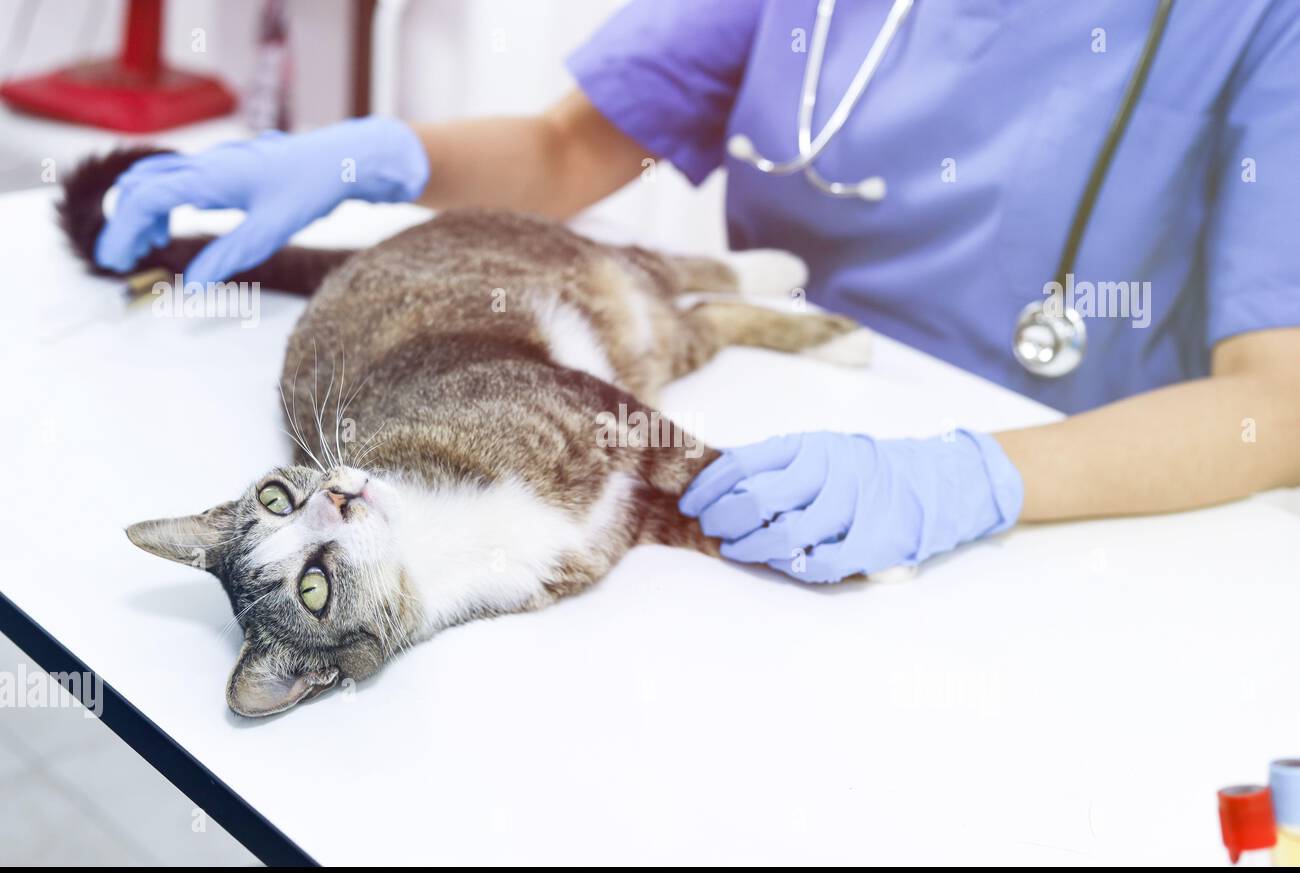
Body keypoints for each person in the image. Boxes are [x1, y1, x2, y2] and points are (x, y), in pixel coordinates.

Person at [95, 0, 1300, 584]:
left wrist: (971, 480)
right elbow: (571, 148)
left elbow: (1277, 403)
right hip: (763, 424)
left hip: (1067, 505)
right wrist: (374, 157)